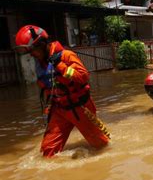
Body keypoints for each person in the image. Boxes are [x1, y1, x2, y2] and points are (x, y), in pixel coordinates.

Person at [14, 25, 110, 157]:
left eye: (32, 50)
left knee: (102, 147)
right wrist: (48, 107)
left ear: (42, 44)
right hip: (59, 110)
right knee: (48, 153)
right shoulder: (40, 64)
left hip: (80, 108)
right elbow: (48, 87)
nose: (31, 54)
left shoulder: (66, 56)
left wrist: (60, 65)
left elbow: (83, 77)